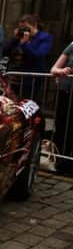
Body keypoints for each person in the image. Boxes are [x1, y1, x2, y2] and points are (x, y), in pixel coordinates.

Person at [50, 43, 73, 175]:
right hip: (65, 93)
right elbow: (54, 69)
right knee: (62, 128)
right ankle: (60, 162)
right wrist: (62, 71)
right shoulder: (71, 46)